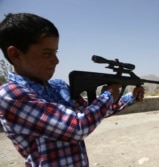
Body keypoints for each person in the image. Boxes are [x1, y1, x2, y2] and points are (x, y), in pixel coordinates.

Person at [0, 13, 144, 167]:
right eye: (47, 53)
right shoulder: (10, 96)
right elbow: (77, 126)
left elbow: (90, 112)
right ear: (15, 54)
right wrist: (108, 94)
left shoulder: (58, 87)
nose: (56, 61)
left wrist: (130, 98)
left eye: (55, 53)